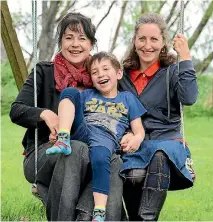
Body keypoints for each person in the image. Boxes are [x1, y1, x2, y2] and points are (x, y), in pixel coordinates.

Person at [9, 13, 124, 221]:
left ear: (91, 44)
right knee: (76, 149)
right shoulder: (44, 72)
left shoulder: (102, 76)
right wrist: (45, 114)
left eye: (82, 38)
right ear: (60, 41)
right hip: (45, 152)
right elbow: (17, 110)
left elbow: (125, 110)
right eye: (68, 37)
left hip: (93, 151)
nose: (75, 44)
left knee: (114, 161)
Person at [45, 51, 147, 221]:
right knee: (70, 92)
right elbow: (71, 111)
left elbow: (139, 129)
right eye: (95, 72)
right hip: (83, 130)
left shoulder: (127, 98)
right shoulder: (87, 95)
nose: (101, 74)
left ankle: (99, 211)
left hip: (106, 138)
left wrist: (136, 139)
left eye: (106, 69)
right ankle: (63, 137)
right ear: (91, 78)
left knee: (101, 159)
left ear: (119, 73)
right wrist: (58, 129)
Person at [117, 13, 198, 221]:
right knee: (132, 174)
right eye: (142, 39)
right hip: (135, 141)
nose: (147, 45)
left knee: (160, 154)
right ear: (134, 42)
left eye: (154, 39)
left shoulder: (172, 72)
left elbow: (189, 98)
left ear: (163, 43)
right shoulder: (122, 75)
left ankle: (147, 219)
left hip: (167, 142)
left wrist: (186, 57)